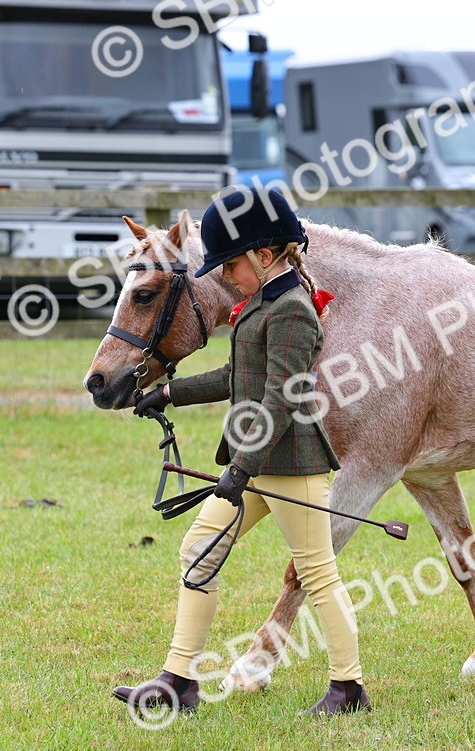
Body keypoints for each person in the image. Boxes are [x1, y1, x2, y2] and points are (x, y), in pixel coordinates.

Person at [112, 187, 371, 717]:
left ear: (265, 255)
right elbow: (236, 376)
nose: (225, 276)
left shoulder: (294, 311)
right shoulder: (259, 304)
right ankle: (178, 679)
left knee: (318, 573)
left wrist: (240, 469)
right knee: (197, 551)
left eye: (231, 265)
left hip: (287, 462)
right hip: (253, 463)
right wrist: (167, 392)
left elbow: (281, 397)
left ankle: (348, 689)